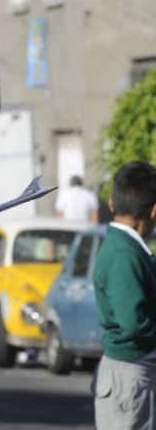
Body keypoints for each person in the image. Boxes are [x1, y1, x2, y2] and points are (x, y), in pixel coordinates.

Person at [91, 161, 156, 430]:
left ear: (111, 203)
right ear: (153, 211)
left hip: (131, 374)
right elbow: (133, 323)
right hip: (128, 375)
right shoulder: (122, 254)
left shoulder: (127, 248)